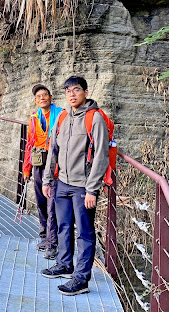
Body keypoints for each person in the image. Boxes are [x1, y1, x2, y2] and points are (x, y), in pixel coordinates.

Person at [41, 76, 110, 296]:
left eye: (76, 90)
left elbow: (101, 155)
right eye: (68, 91)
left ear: (85, 92)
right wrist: (47, 179)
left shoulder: (94, 118)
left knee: (85, 233)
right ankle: (64, 264)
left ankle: (81, 279)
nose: (71, 94)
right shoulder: (62, 117)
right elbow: (53, 150)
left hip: (82, 186)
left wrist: (92, 189)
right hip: (62, 183)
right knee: (63, 226)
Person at [23, 84, 62, 259]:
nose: (42, 98)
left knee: (51, 201)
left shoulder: (61, 115)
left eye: (45, 95)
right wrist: (26, 168)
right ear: (36, 101)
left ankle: (52, 243)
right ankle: (44, 235)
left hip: (55, 161)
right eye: (39, 96)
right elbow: (29, 143)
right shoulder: (34, 118)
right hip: (39, 160)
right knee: (40, 199)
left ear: (51, 97)